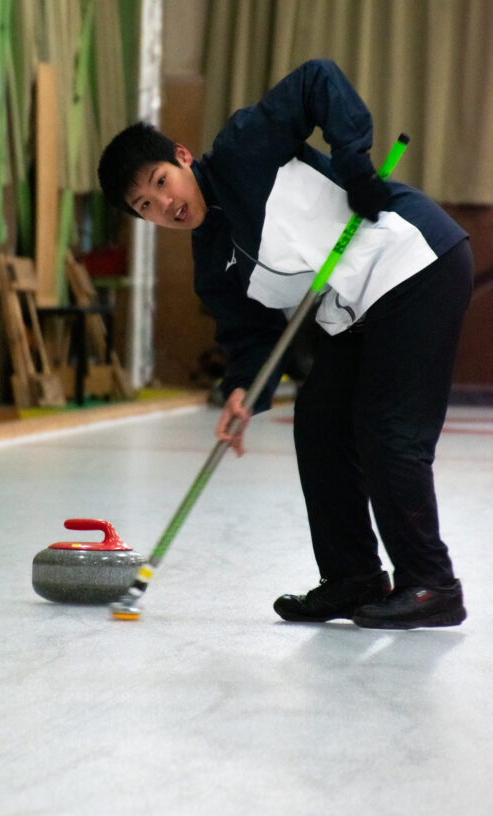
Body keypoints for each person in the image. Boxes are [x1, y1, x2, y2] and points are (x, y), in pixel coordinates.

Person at [97, 59, 473, 629]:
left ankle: (431, 583)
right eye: (145, 207)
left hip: (414, 264)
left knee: (386, 429)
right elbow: (251, 338)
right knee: (319, 422)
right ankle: (353, 578)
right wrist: (243, 389)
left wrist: (354, 161)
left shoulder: (244, 148)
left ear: (180, 157)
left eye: (159, 183)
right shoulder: (212, 267)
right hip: (355, 312)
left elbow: (318, 80)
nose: (164, 205)